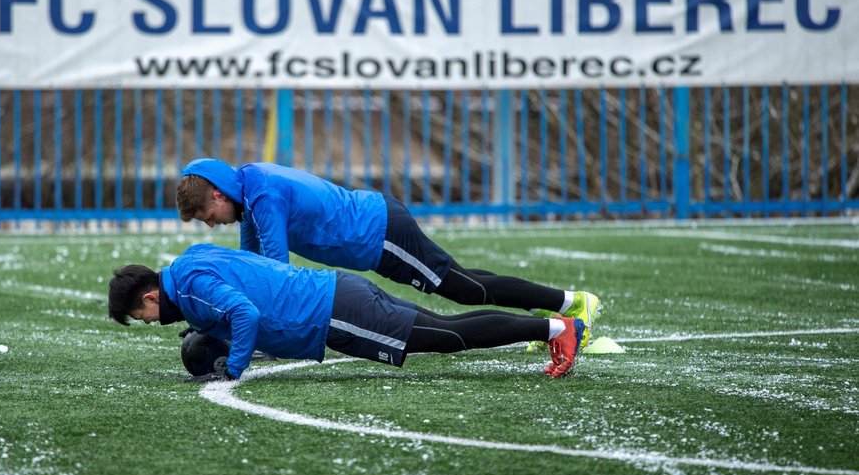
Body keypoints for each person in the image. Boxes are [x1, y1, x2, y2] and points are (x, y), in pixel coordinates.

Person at [175, 158, 601, 349]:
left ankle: (570, 304)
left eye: (206, 214)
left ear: (218, 193)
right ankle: (552, 313)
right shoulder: (249, 195)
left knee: (464, 289)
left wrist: (235, 326)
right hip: (375, 238)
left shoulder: (262, 197)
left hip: (379, 231)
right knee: (464, 282)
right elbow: (253, 271)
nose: (211, 223)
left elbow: (276, 277)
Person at [107, 243, 587, 380]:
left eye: (142, 316)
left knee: (447, 337)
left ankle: (557, 327)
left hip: (330, 313)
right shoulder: (191, 259)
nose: (150, 322)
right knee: (445, 327)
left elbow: (246, 314)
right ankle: (555, 325)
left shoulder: (189, 287)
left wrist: (233, 368)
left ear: (149, 298)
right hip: (334, 293)